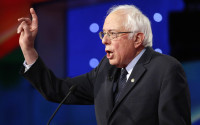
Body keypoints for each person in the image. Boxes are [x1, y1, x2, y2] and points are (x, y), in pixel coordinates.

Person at [17, 4, 191, 125]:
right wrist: (29, 50)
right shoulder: (105, 69)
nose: (104, 41)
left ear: (137, 39)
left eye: (113, 34)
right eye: (103, 34)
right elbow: (57, 90)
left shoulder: (165, 70)